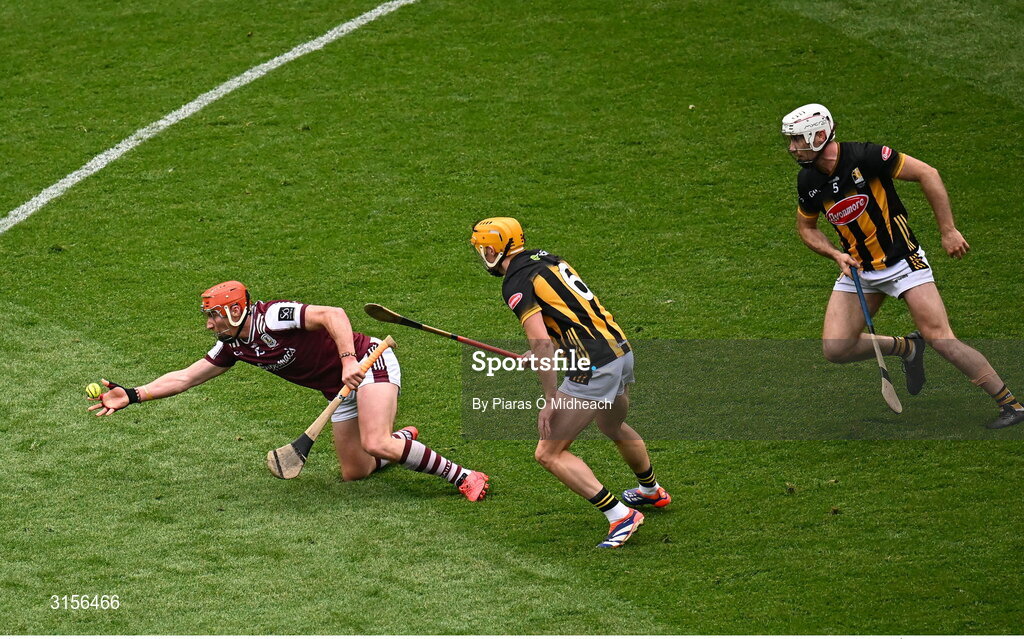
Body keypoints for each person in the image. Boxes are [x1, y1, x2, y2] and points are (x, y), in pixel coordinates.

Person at [87, 280, 490, 499]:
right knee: (356, 471)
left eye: (213, 316)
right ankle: (399, 440)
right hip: (339, 389)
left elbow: (333, 315)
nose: (209, 324)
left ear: (232, 310)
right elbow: (187, 377)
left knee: (376, 442)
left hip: (369, 362)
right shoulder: (234, 344)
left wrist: (349, 359)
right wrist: (134, 394)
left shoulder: (272, 316)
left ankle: (465, 476)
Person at [782, 103, 1024, 429]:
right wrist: (836, 255)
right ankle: (906, 348)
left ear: (819, 135)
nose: (792, 147)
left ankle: (1011, 404)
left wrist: (948, 230)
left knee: (941, 338)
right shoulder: (807, 180)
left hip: (902, 261)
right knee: (835, 349)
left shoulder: (866, 157)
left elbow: (928, 174)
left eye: (797, 139)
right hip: (860, 270)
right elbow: (806, 229)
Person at [469, 217, 669, 548]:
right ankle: (651, 491)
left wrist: (550, 396)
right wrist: (554, 348)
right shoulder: (547, 259)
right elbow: (573, 316)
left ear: (492, 249)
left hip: (593, 367)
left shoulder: (516, 282)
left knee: (548, 452)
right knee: (612, 426)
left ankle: (621, 515)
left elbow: (541, 342)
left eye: (481, 250)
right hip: (619, 351)